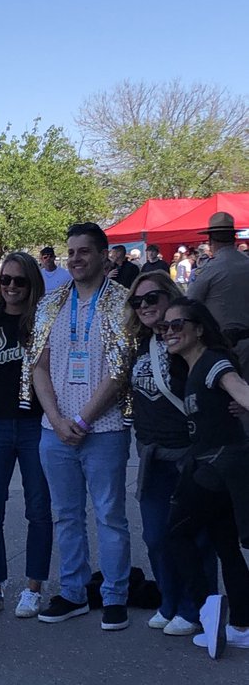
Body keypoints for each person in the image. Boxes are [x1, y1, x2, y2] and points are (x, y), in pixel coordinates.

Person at [22, 222, 133, 629]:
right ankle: (73, 592)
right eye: (70, 252)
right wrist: (55, 418)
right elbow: (38, 364)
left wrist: (84, 419)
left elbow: (120, 370)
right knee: (66, 515)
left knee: (109, 515)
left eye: (84, 251)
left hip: (104, 429)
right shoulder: (52, 303)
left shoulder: (123, 302)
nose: (75, 259)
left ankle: (116, 595)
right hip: (56, 430)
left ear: (105, 256)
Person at [124, 272, 216, 635]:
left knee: (196, 537)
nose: (145, 306)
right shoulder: (139, 342)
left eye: (152, 298)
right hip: (151, 453)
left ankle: (198, 609)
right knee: (156, 536)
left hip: (188, 453)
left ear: (171, 296)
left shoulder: (187, 338)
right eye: (138, 301)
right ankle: (169, 599)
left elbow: (216, 371)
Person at [162, 299, 249, 656]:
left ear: (199, 328)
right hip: (224, 467)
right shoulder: (192, 368)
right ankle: (241, 625)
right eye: (164, 327)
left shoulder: (213, 362)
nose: (169, 331)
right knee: (226, 546)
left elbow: (238, 387)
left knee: (176, 534)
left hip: (215, 467)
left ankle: (207, 607)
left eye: (177, 324)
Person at [0, 252, 52, 619]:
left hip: (36, 422)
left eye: (20, 281)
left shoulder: (45, 321)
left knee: (38, 509)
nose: (12, 287)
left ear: (32, 283)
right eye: (6, 280)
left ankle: (34, 587)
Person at [187, 210, 249, 370]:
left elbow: (191, 303)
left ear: (211, 240)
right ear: (233, 237)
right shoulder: (246, 262)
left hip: (224, 346)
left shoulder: (210, 269)